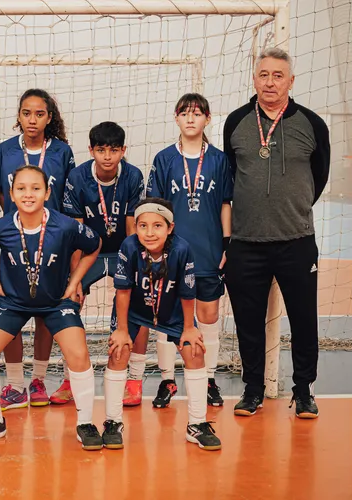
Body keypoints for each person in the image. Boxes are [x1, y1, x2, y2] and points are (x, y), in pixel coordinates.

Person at [223, 47, 330, 418]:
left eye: (277, 75)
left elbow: (320, 176)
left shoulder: (312, 124)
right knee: (247, 322)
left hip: (296, 242)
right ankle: (253, 389)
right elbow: (233, 176)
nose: (270, 82)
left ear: (290, 81)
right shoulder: (235, 122)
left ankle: (303, 391)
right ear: (255, 78)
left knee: (304, 319)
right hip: (246, 243)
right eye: (263, 74)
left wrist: (292, 207)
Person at [0, 166, 103, 450]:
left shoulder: (66, 225)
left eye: (35, 188)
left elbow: (94, 245)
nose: (28, 194)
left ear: (47, 192)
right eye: (21, 188)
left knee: (79, 354)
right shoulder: (0, 226)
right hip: (13, 301)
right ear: (10, 194)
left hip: (56, 302)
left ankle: (85, 423)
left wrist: (75, 281)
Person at [109, 197, 221, 451]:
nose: (149, 232)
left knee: (194, 351)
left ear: (170, 227)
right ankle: (112, 422)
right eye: (143, 226)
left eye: (157, 226)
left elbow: (187, 291)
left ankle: (197, 424)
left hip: (171, 312)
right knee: (119, 351)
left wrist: (190, 328)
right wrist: (122, 330)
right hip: (136, 311)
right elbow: (123, 291)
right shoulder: (128, 246)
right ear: (135, 227)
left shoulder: (182, 250)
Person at [147, 93, 233, 408]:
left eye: (197, 113)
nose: (191, 118)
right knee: (166, 316)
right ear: (176, 117)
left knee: (208, 315)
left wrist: (226, 244)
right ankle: (168, 380)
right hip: (172, 253)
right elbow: (154, 209)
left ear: (207, 119)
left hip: (209, 251)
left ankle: (208, 378)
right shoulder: (164, 159)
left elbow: (225, 204)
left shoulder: (219, 160)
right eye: (185, 113)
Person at [0, 89, 76, 408]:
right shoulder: (4, 151)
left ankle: (38, 380)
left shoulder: (62, 152)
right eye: (26, 113)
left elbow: (67, 201)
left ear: (49, 118)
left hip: (51, 241)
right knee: (11, 309)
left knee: (45, 312)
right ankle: (15, 384)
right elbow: (2, 195)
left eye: (39, 114)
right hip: (15, 239)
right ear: (19, 116)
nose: (32, 119)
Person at [51, 121, 145, 406]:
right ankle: (71, 377)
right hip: (90, 250)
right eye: (101, 149)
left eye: (114, 150)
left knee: (138, 304)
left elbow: (132, 229)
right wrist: (73, 280)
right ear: (91, 150)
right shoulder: (77, 178)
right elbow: (75, 232)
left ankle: (135, 379)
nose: (107, 156)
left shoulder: (132, 176)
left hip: (122, 250)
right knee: (68, 302)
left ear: (123, 151)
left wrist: (136, 271)